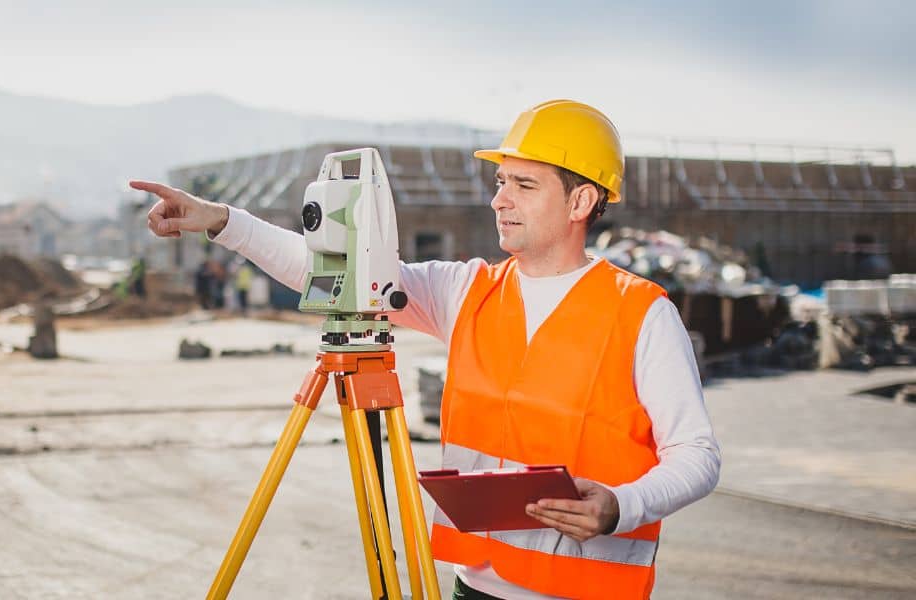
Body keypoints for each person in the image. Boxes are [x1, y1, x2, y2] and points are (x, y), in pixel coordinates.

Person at [132, 99, 720, 599]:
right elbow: (342, 275)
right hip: (475, 587)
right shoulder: (466, 290)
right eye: (500, 183)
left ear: (581, 203)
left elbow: (696, 454)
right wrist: (222, 221)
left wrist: (622, 504)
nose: (500, 200)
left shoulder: (640, 312)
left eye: (523, 184)